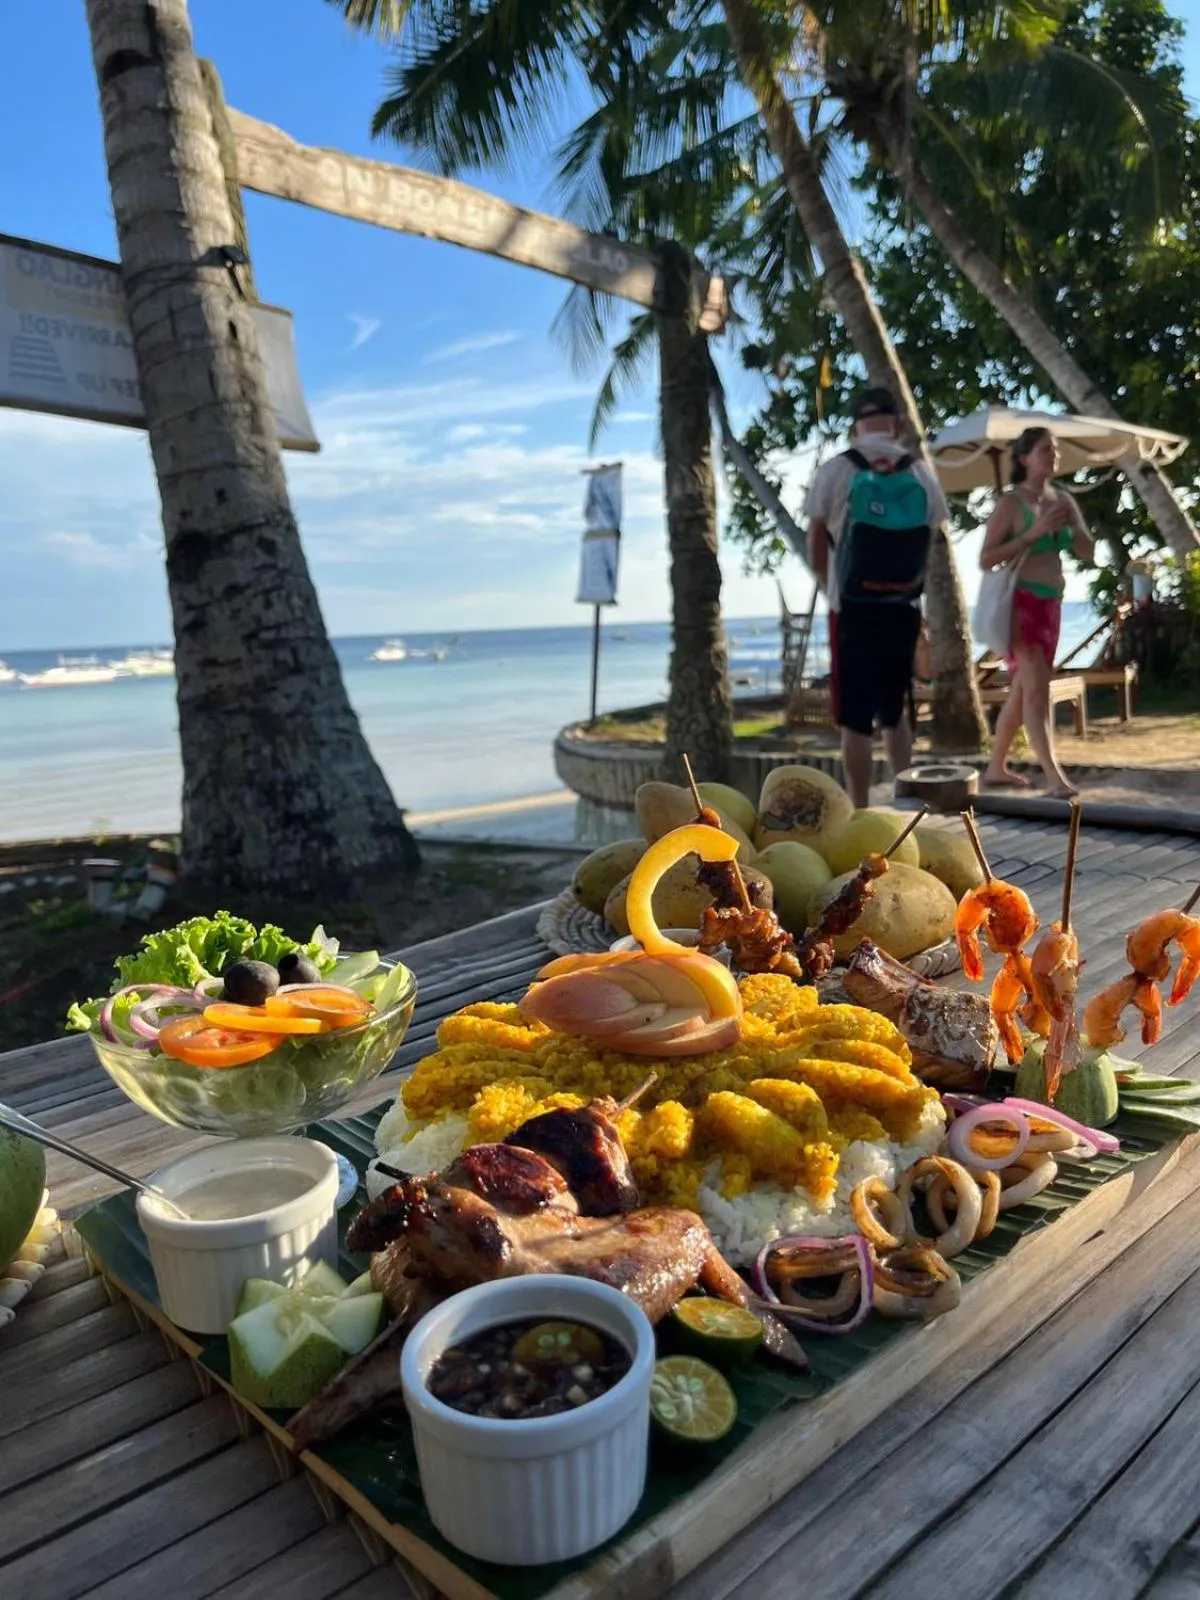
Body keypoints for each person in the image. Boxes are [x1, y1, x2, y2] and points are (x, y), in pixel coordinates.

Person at [807, 387, 949, 807]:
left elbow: (816, 535)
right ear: (898, 425)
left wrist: (825, 580)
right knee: (895, 708)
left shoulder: (836, 470)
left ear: (856, 426)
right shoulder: (920, 472)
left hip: (850, 607)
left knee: (855, 717)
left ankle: (859, 806)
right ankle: (905, 798)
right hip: (901, 606)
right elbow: (934, 536)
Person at [979, 426, 1095, 797]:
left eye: (1055, 449)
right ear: (1024, 457)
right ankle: (1053, 777)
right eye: (1045, 449)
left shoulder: (1062, 499)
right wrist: (1032, 533)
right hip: (1021, 605)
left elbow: (1087, 552)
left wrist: (1073, 526)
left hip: (1051, 604)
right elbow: (986, 559)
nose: (1053, 455)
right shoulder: (1012, 504)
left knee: (1025, 689)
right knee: (1037, 692)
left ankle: (996, 767)